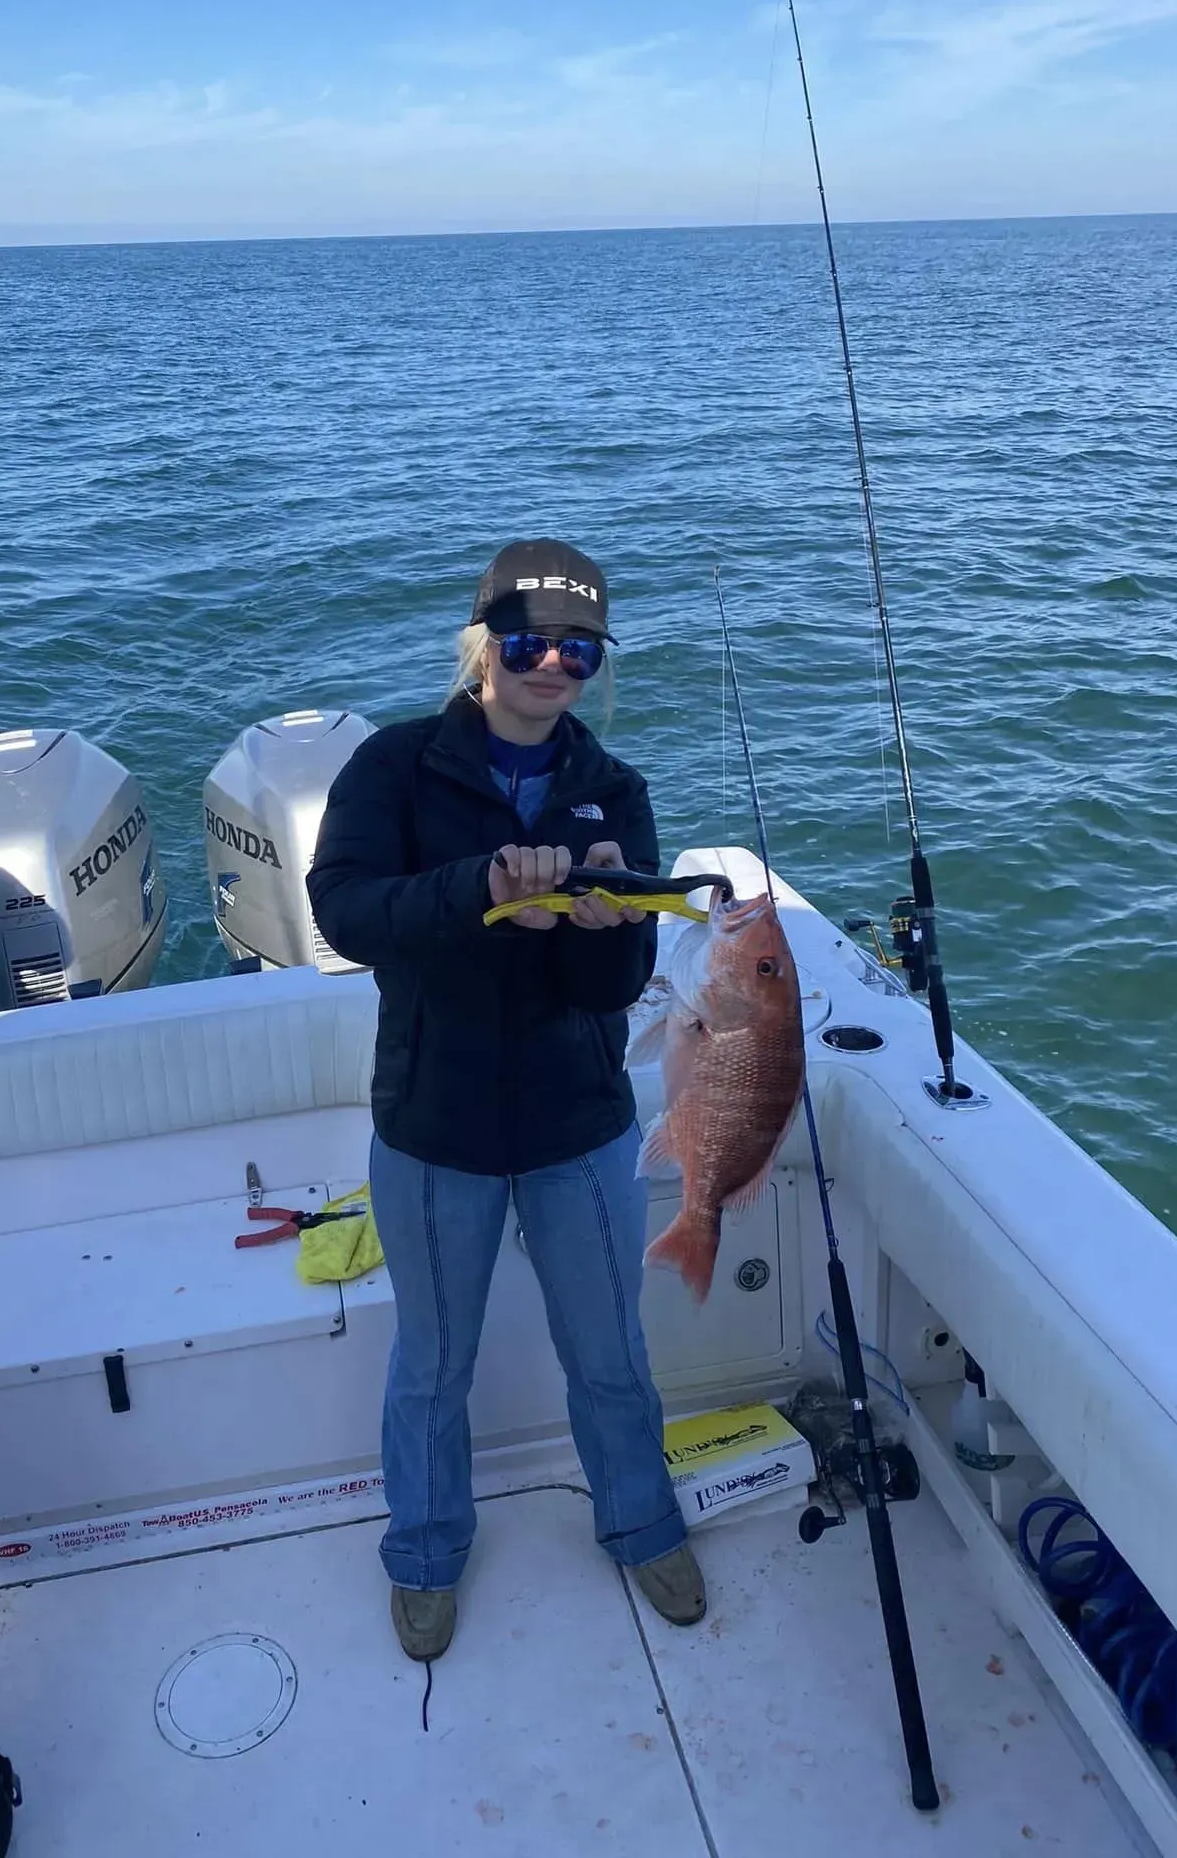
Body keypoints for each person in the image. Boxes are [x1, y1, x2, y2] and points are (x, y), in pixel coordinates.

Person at [307, 538, 704, 1662]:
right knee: (432, 1361)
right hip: (435, 1129)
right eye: (530, 640)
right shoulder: (395, 767)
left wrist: (603, 927)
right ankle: (426, 1553)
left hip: (580, 1126)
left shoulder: (612, 789)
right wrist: (478, 888)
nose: (553, 665)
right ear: (482, 643)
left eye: (578, 649)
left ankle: (641, 1522)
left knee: (612, 1350)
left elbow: (617, 990)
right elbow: (346, 910)